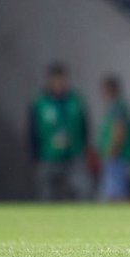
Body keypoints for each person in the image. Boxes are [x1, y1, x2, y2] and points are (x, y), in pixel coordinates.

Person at [29, 62, 91, 201]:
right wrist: (34, 154)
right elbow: (32, 130)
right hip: (48, 156)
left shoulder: (76, 100)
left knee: (84, 190)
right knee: (47, 195)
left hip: (73, 155)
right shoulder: (39, 103)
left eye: (62, 80)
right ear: (49, 81)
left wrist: (85, 148)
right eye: (56, 80)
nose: (59, 84)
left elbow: (85, 126)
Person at [97, 75, 130, 201]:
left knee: (118, 192)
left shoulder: (117, 107)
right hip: (118, 156)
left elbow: (118, 130)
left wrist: (111, 151)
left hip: (117, 156)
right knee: (117, 190)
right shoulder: (118, 106)